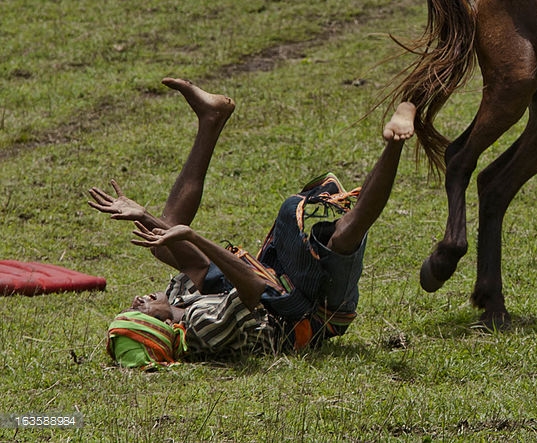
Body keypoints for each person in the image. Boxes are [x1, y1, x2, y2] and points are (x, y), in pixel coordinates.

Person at [89, 77, 415, 368]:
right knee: (340, 238)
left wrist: (143, 215)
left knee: (164, 244)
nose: (136, 302)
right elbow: (252, 287)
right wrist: (194, 236)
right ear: (158, 329)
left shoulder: (179, 302)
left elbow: (204, 268)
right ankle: (395, 143)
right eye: (138, 314)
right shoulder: (201, 328)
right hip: (311, 311)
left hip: (279, 285)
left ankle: (211, 118)